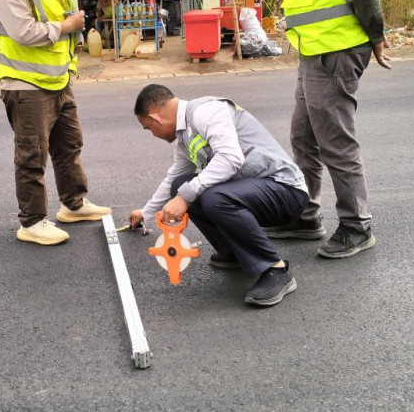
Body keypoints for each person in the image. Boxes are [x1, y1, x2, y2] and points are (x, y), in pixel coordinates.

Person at [254, 0, 390, 259]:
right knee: (304, 137)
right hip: (317, 50)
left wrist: (376, 34)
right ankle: (304, 214)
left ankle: (356, 225)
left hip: (335, 48)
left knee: (335, 142)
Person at [0, 0, 111, 246]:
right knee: (31, 155)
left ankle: (74, 204)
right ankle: (32, 222)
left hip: (59, 79)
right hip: (26, 84)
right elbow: (24, 32)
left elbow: (64, 15)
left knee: (69, 146)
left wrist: (73, 35)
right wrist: (67, 26)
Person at [128, 84, 309, 307]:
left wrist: (184, 198)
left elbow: (231, 158)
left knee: (211, 197)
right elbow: (173, 179)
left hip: (285, 190)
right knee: (180, 185)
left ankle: (275, 268)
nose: (153, 134)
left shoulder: (206, 112)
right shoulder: (185, 136)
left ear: (155, 118)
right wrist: (145, 213)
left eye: (149, 128)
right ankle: (235, 252)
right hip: (256, 190)